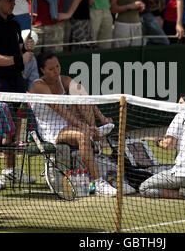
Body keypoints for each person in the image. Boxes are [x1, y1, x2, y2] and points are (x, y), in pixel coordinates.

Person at [30, 52, 120, 197]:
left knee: (78, 91)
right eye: (51, 69)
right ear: (42, 70)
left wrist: (101, 118)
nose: (56, 71)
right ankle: (98, 183)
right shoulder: (38, 86)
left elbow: (84, 97)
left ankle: (95, 133)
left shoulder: (63, 80)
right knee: (82, 136)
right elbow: (60, 111)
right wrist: (82, 126)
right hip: (51, 130)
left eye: (58, 66)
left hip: (68, 123)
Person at [0, 0, 36, 193]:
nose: (12, 3)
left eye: (14, 0)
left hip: (16, 82)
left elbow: (19, 50)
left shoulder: (14, 24)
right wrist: (19, 59)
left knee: (13, 128)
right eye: (8, 0)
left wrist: (26, 47)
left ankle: (10, 169)